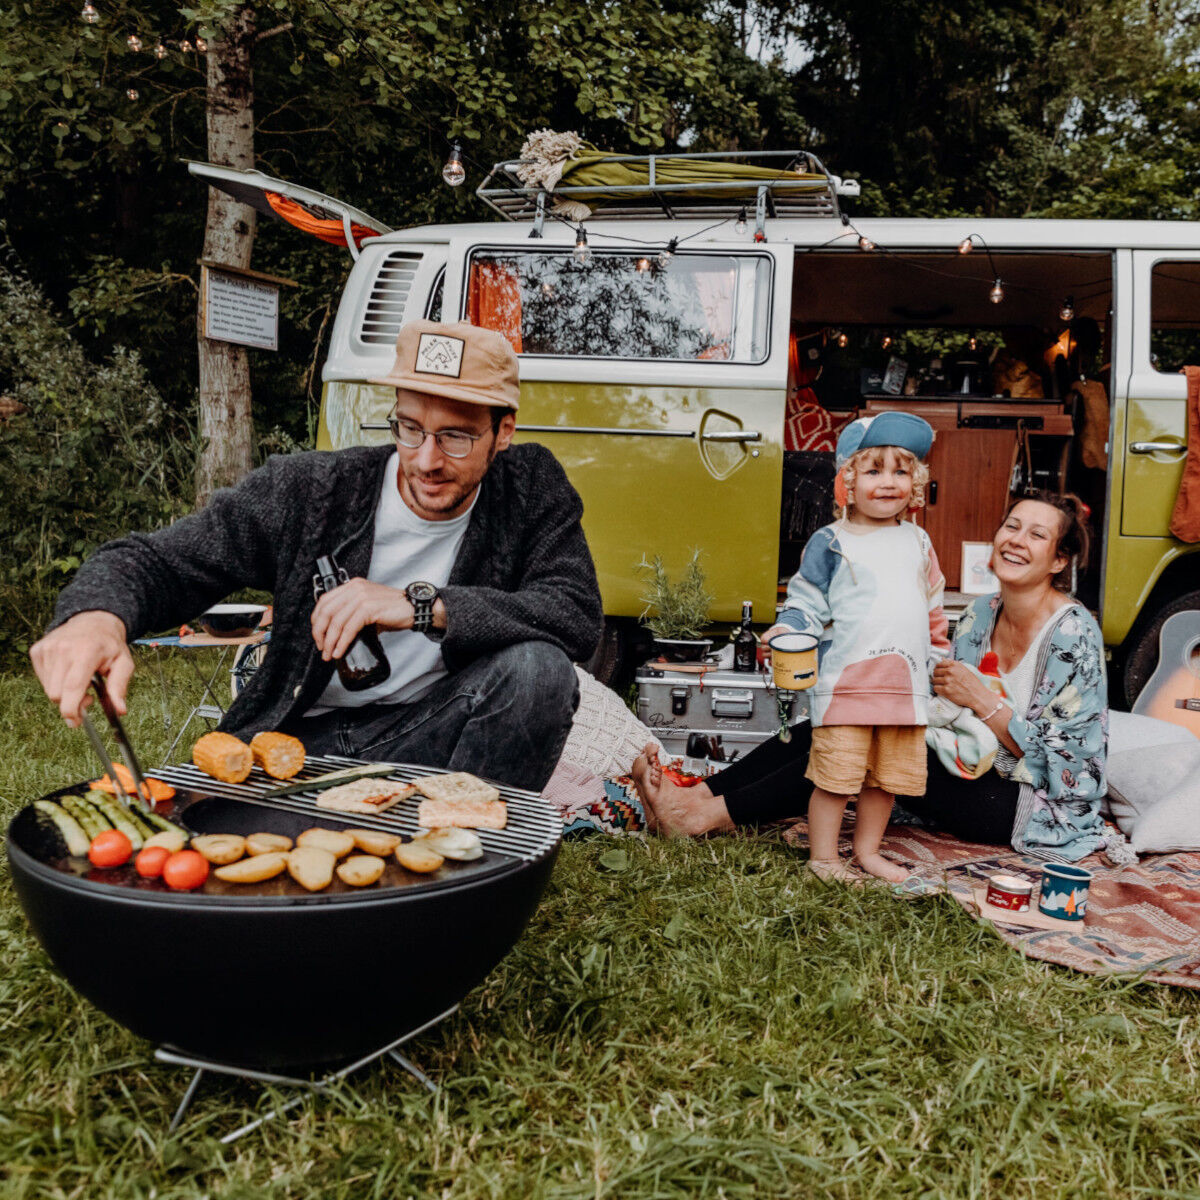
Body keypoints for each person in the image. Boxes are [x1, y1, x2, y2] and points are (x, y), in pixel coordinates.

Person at [30, 320, 603, 792]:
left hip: (433, 733)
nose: (427, 460)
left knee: (539, 672)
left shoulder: (529, 488)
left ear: (503, 432)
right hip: (299, 745)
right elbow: (165, 560)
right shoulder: (312, 491)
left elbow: (574, 614)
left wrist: (420, 606)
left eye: (456, 437)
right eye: (409, 428)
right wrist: (97, 617)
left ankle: (464, 855)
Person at [633, 491, 1120, 865]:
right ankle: (697, 797)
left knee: (867, 739)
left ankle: (702, 818)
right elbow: (932, 695)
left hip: (1029, 805)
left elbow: (1073, 771)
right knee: (838, 722)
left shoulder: (1074, 635)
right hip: (961, 764)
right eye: (1011, 526)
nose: (1016, 540)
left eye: (1037, 535)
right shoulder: (978, 615)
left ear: (1059, 560)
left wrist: (985, 703)